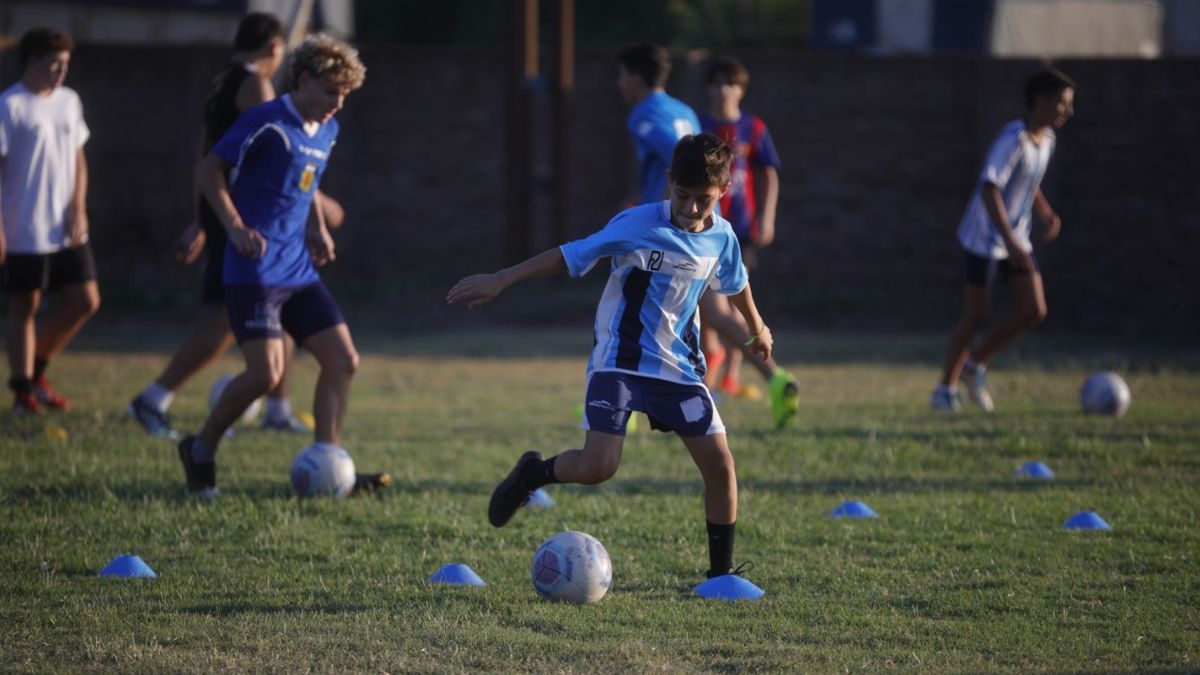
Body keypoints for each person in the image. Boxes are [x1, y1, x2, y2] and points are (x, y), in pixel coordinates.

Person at [449, 133, 771, 581]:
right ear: (669, 181)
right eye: (684, 196)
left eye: (704, 200)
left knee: (721, 467)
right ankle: (530, 475)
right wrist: (502, 279)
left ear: (721, 194)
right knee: (599, 466)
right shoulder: (637, 223)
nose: (693, 209)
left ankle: (721, 577)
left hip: (679, 369)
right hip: (619, 361)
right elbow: (570, 255)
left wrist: (757, 327)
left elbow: (735, 283)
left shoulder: (722, 237)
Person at [175, 33, 373, 499]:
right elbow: (208, 171)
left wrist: (318, 227)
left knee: (343, 360)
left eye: (344, 96)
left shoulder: (327, 129)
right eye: (330, 93)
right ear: (303, 80)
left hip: (298, 268)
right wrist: (235, 226)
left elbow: (307, 185)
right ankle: (200, 449)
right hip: (255, 270)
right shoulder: (266, 120)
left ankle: (329, 464)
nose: (337, 105)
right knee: (264, 375)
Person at [128, 12, 339, 437]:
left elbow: (205, 152)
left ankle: (277, 408)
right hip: (246, 218)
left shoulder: (223, 79)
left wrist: (198, 218)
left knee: (271, 312)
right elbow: (279, 155)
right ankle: (155, 398)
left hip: (229, 213)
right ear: (275, 50)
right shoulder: (255, 86)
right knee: (232, 320)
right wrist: (317, 205)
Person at [617, 45, 798, 429]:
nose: (619, 84)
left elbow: (681, 159)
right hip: (688, 230)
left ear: (634, 77)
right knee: (678, 316)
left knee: (656, 311)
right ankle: (632, 405)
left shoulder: (643, 115)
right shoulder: (683, 110)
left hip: (665, 232)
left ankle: (774, 377)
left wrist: (672, 201)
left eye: (621, 76)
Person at [932, 67, 1076, 412]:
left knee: (1034, 309)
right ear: (1040, 101)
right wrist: (1008, 240)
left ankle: (973, 364)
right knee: (976, 315)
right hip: (984, 238)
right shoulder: (1013, 138)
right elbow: (990, 187)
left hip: (1016, 237)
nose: (1067, 112)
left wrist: (1044, 211)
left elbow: (1028, 181)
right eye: (1062, 103)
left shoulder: (1048, 141)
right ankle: (944, 389)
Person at [0, 28, 100, 414]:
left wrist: (79, 206)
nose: (61, 72)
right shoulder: (10, 105)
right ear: (32, 61)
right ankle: (23, 391)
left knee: (86, 300)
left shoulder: (69, 102)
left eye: (66, 66)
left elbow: (78, 157)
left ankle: (36, 370)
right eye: (54, 64)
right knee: (25, 304)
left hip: (66, 227)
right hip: (23, 226)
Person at [698, 56, 796, 425]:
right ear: (708, 87)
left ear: (741, 88)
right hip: (703, 230)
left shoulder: (752, 128)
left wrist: (767, 218)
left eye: (731, 83)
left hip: (737, 232)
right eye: (718, 82)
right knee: (711, 310)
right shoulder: (701, 126)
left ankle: (764, 375)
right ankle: (720, 375)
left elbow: (768, 173)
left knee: (726, 308)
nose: (724, 90)